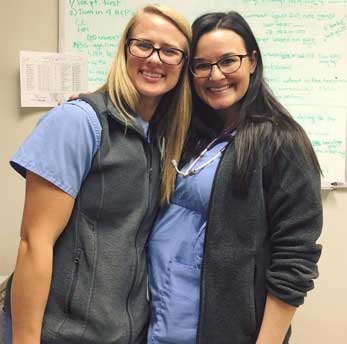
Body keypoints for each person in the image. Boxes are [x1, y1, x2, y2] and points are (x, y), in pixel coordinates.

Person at [2, 4, 191, 344]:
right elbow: (34, 244)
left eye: (170, 51)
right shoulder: (79, 123)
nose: (154, 59)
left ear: (183, 65)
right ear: (125, 49)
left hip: (120, 334)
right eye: (143, 45)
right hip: (59, 335)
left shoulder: (162, 139)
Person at [147, 11, 322, 344]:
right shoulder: (186, 132)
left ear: (252, 62)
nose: (216, 76)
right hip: (162, 320)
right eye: (202, 65)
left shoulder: (282, 141)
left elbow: (295, 260)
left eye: (229, 61)